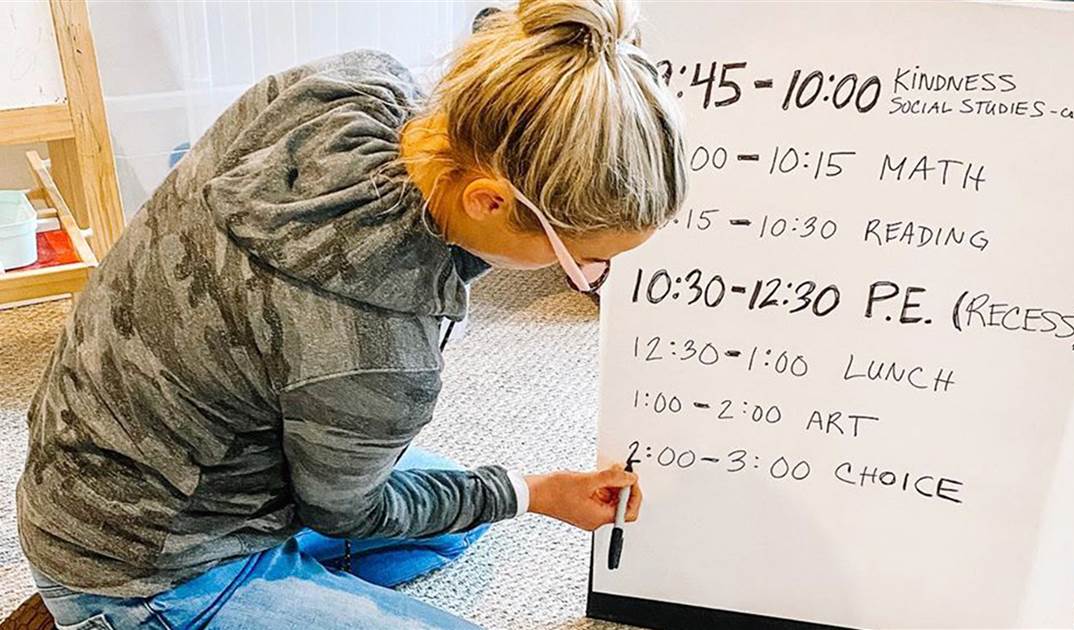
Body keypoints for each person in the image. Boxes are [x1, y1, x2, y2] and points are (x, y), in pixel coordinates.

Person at [15, 0, 686, 627]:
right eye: (583, 264)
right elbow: (350, 507)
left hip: (100, 449)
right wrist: (532, 494)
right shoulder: (376, 349)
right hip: (141, 566)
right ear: (487, 201)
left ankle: (288, 581)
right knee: (434, 504)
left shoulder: (351, 86)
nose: (592, 279)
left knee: (455, 519)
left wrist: (501, 493)